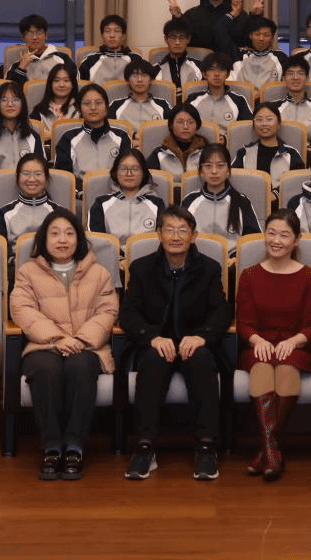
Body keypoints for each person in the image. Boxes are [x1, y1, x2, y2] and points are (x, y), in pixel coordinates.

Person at [121, 206, 231, 481]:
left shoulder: (209, 268)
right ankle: (145, 447)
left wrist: (202, 336)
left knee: (202, 360)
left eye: (183, 230)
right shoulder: (142, 268)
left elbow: (221, 312)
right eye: (169, 230)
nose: (176, 236)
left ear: (194, 236)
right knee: (152, 362)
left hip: (194, 342)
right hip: (156, 342)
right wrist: (152, 337)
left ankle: (206, 446)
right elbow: (129, 314)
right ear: (159, 234)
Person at [10, 210, 118, 481]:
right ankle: (51, 447)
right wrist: (57, 338)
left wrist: (80, 340)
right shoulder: (27, 272)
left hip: (87, 346)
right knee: (45, 369)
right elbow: (22, 309)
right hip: (43, 346)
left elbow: (108, 311)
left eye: (69, 233)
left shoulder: (99, 273)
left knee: (80, 367)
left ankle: (74, 447)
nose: (62, 240)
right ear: (43, 239)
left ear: (78, 239)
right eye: (55, 234)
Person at [236, 209, 311, 481]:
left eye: (284, 235)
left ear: (296, 240)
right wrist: (257, 340)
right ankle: (273, 451)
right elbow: (244, 323)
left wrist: (294, 341)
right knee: (262, 367)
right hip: (259, 344)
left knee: (286, 368)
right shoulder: (249, 275)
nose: (276, 240)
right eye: (271, 233)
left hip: (295, 346)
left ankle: (266, 451)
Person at [0, 153, 69, 280]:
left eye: (38, 174)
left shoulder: (61, 214)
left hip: (54, 273)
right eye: (25, 174)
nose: (32, 179)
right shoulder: (3, 214)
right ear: (18, 178)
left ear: (46, 178)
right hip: (16, 274)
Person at [180, 143, 261, 248]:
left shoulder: (242, 202)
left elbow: (253, 242)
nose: (214, 171)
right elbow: (181, 236)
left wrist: (236, 256)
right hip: (197, 256)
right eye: (208, 166)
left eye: (220, 165)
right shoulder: (189, 201)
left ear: (228, 169)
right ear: (201, 170)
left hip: (232, 257)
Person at [87, 148, 167, 246]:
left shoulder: (157, 204)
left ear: (143, 173)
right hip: (110, 255)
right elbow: (97, 242)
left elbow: (161, 240)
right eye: (124, 169)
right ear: (115, 172)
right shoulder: (101, 203)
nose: (129, 174)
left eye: (135, 169)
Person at [53, 83, 132, 182]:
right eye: (87, 103)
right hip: (79, 191)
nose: (93, 107)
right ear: (79, 109)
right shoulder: (68, 138)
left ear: (106, 108)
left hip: (114, 190)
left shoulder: (122, 137)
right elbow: (63, 179)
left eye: (98, 103)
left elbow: (127, 174)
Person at [231, 101, 304, 189]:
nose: (264, 124)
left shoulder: (291, 154)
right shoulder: (244, 153)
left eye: (269, 119)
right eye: (259, 120)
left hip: (282, 198)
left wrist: (275, 194)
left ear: (279, 124)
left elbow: (298, 184)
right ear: (253, 125)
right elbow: (233, 181)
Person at [4, 13, 75, 88]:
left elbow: (75, 86)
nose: (35, 37)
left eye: (39, 32)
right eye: (30, 33)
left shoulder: (63, 59)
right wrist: (21, 68)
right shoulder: (16, 66)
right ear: (23, 37)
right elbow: (9, 91)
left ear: (46, 35)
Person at [186, 51, 252, 127]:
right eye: (212, 69)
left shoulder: (239, 101)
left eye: (221, 70)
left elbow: (247, 128)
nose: (217, 74)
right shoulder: (193, 99)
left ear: (228, 74)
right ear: (204, 74)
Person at [145, 103, 208, 180]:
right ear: (171, 125)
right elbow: (147, 180)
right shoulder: (159, 153)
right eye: (180, 122)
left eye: (190, 122)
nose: (185, 126)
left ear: (197, 125)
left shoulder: (207, 152)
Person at [107, 58, 171, 133]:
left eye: (144, 75)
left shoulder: (163, 105)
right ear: (128, 80)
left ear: (151, 80)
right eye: (134, 76)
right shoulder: (115, 106)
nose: (139, 80)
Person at [229, 15, 287, 86]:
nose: (261, 38)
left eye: (266, 35)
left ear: (272, 37)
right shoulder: (239, 55)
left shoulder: (281, 57)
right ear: (250, 35)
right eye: (257, 34)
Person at [276, 55, 311, 129]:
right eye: (290, 73)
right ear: (283, 79)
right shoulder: (274, 108)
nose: (295, 77)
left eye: (300, 73)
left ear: (307, 78)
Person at [78, 14, 135, 83]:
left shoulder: (135, 59)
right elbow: (80, 85)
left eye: (117, 31)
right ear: (102, 36)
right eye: (107, 31)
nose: (112, 35)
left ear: (123, 36)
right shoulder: (90, 61)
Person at [153, 17, 204, 91]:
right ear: (166, 39)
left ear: (188, 39)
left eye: (181, 37)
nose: (177, 42)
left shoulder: (200, 67)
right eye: (173, 37)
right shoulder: (155, 70)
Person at [30, 63, 80, 135]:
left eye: (66, 80)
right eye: (56, 80)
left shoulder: (81, 110)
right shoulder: (38, 111)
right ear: (50, 84)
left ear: (73, 84)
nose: (61, 85)